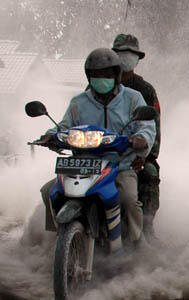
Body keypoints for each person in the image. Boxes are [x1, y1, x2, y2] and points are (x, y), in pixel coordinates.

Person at [39, 48, 155, 248]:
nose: (101, 79)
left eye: (106, 75)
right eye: (96, 75)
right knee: (48, 190)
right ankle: (57, 240)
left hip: (119, 165)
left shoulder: (133, 98)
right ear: (88, 77)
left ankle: (137, 243)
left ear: (116, 75)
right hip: (82, 164)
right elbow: (64, 125)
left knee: (128, 198)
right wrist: (51, 135)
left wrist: (140, 140)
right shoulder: (78, 102)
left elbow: (147, 128)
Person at [112, 33, 161, 237]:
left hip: (135, 153)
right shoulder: (99, 85)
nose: (126, 58)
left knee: (149, 173)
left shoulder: (145, 90)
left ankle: (146, 230)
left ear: (137, 59)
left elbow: (154, 128)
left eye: (131, 54)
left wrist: (144, 155)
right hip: (100, 151)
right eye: (121, 53)